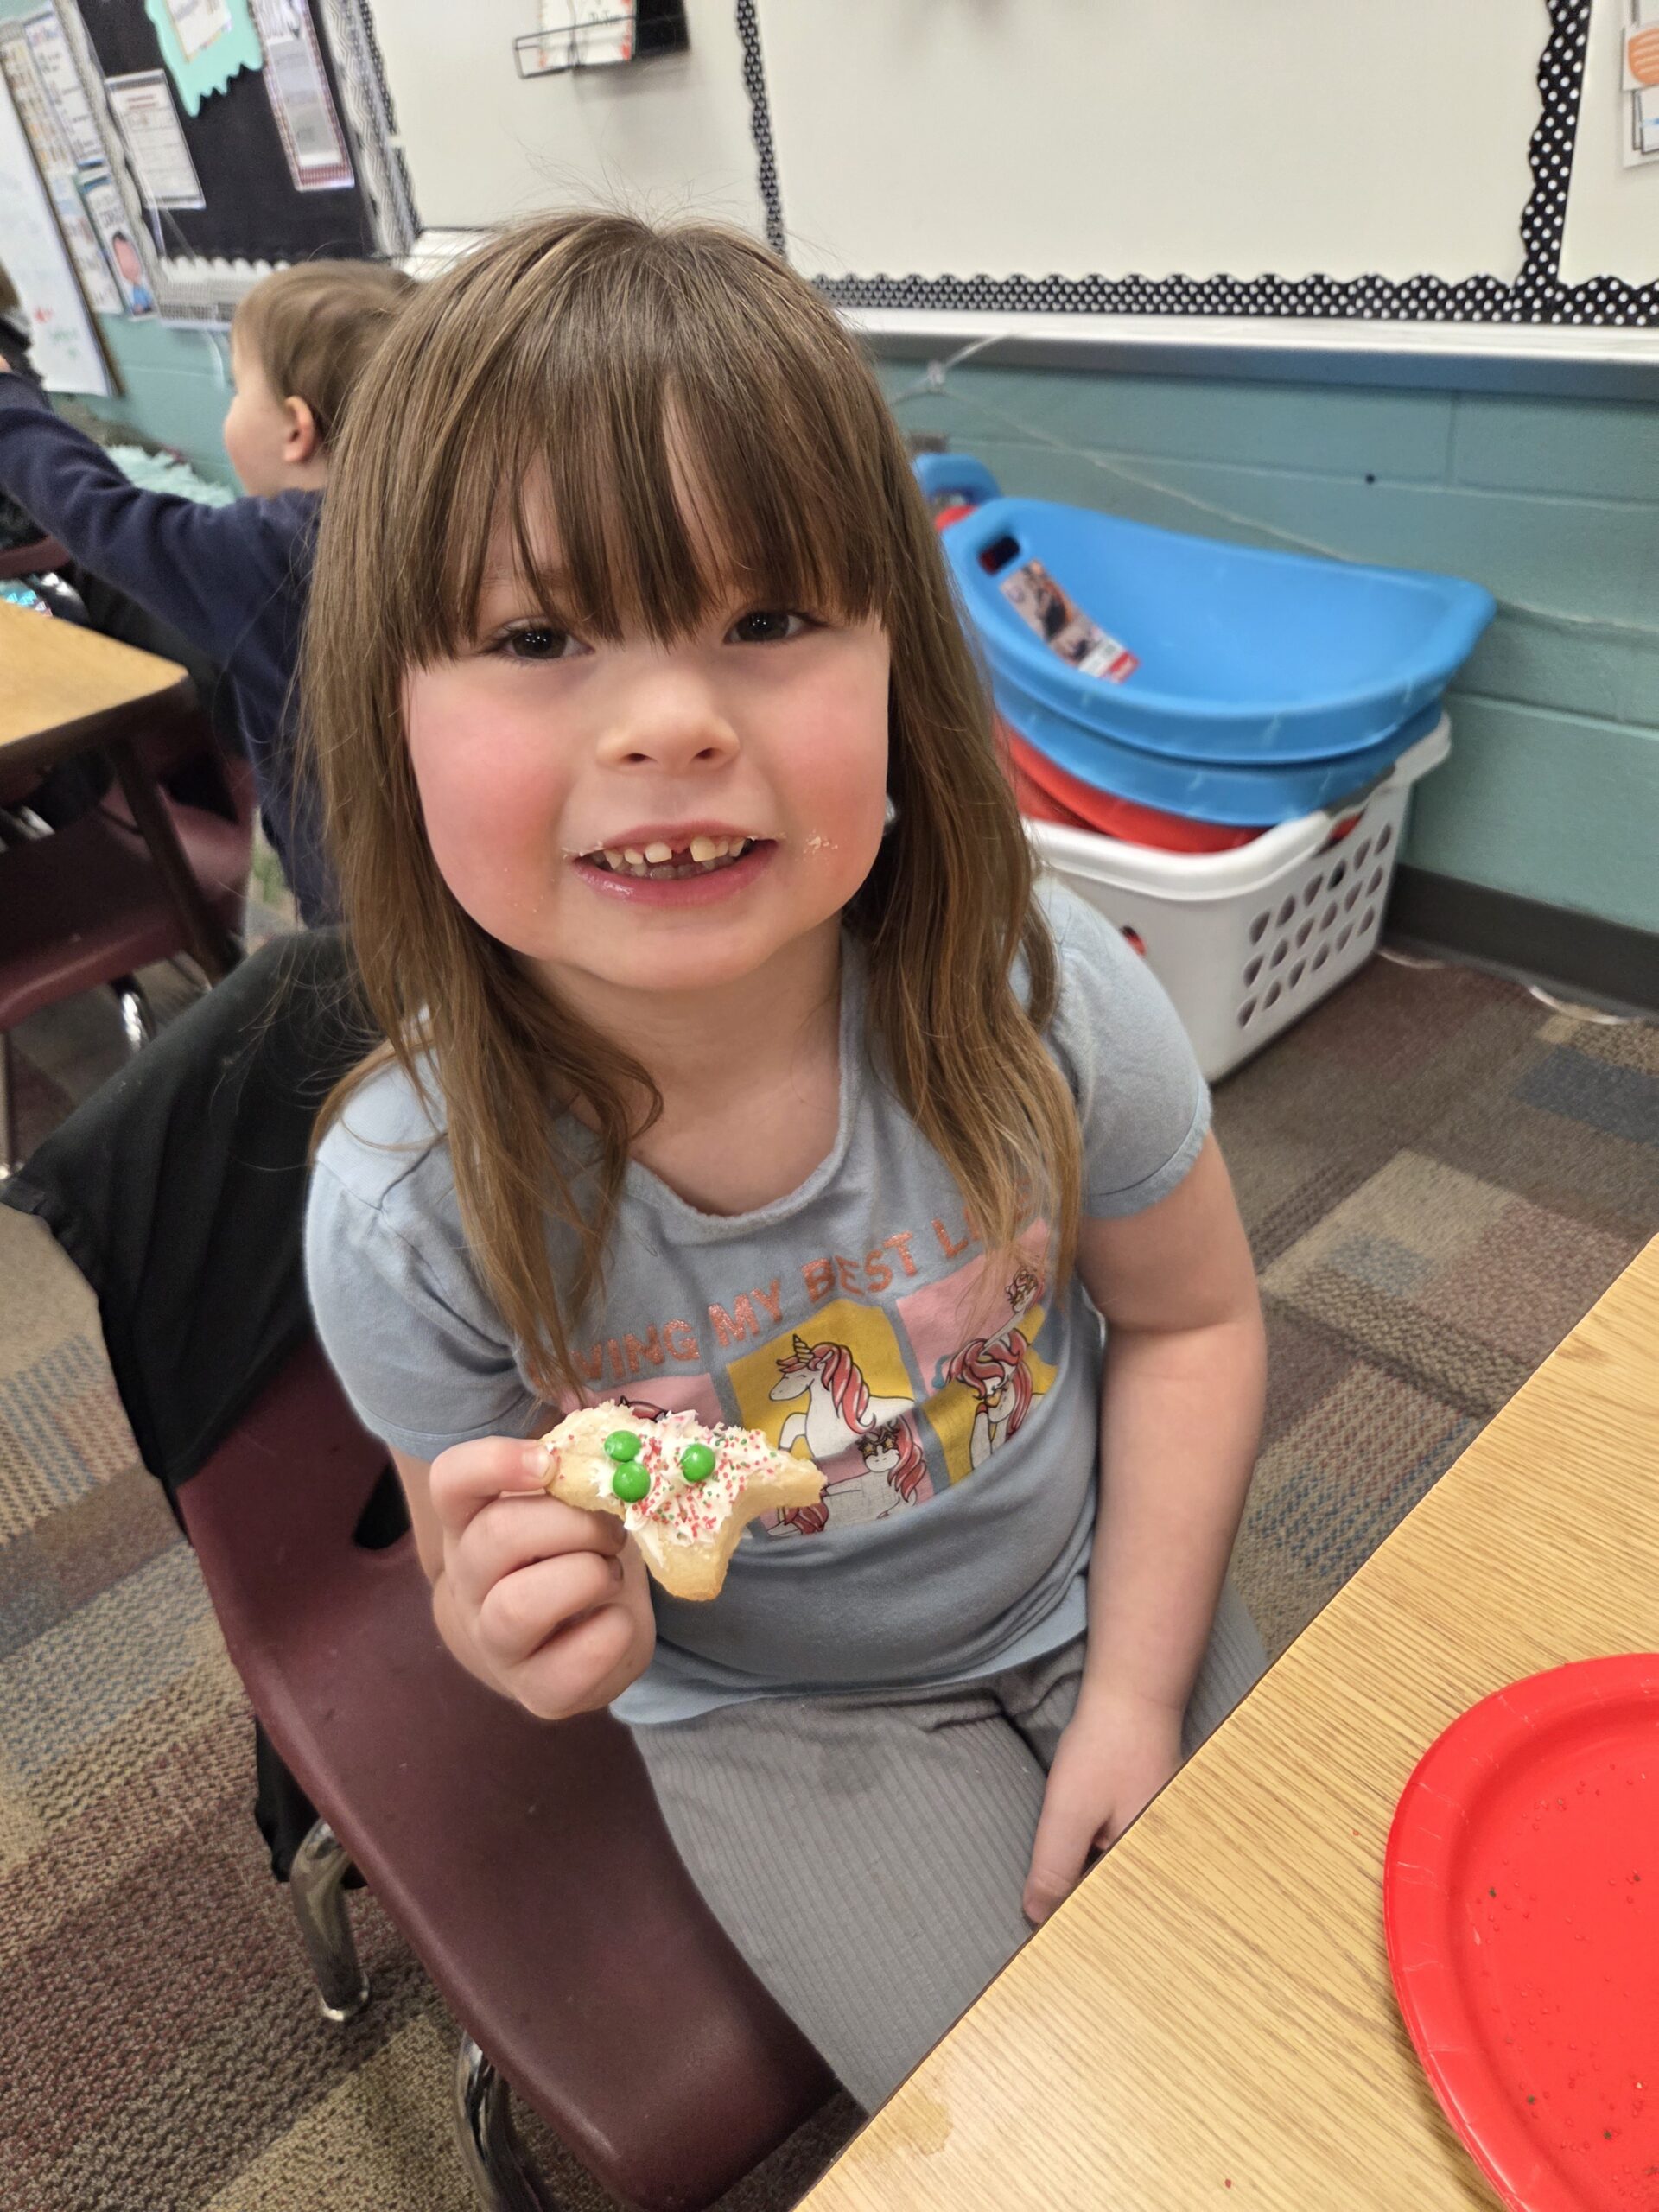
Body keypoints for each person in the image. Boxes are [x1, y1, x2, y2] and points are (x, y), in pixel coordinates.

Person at [302, 211, 1268, 2113]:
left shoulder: (1043, 993)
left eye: (765, 621)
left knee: (1304, 1982)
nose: (672, 717)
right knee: (1034, 2125)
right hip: (780, 1712)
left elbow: (1194, 1319)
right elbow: (471, 1550)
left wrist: (1140, 1691)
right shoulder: (407, 1203)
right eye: (535, 636)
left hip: (1103, 1581)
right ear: (385, 721)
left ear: (900, 676)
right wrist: (525, 1636)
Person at [0, 257, 414, 921]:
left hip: (361, 918)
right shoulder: (448, 527)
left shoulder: (269, 551)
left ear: (295, 429)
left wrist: (7, 405)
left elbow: (95, 513)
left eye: (236, 391)